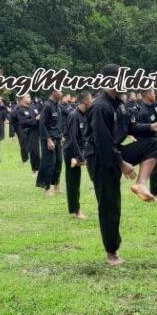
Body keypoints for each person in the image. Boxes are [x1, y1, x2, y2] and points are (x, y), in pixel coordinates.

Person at [84, 65, 157, 265]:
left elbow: (129, 127)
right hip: (101, 159)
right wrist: (122, 163)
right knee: (110, 204)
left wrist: (152, 126)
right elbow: (102, 143)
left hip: (115, 151)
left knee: (153, 144)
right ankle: (111, 252)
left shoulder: (119, 102)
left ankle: (141, 183)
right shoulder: (100, 107)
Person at [63, 91, 92, 219]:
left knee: (76, 181)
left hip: (79, 151)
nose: (92, 102)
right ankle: (76, 211)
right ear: (86, 102)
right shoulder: (74, 115)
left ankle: (74, 209)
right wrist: (80, 157)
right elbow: (72, 139)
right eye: (91, 100)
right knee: (73, 182)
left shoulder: (85, 115)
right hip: (71, 151)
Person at [36, 89, 65, 196]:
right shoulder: (47, 106)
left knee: (58, 162)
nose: (62, 93)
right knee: (49, 163)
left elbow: (58, 123)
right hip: (49, 139)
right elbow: (42, 124)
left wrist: (61, 136)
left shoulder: (58, 105)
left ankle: (56, 185)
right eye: (60, 91)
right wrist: (48, 140)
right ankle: (47, 188)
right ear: (53, 92)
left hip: (58, 137)